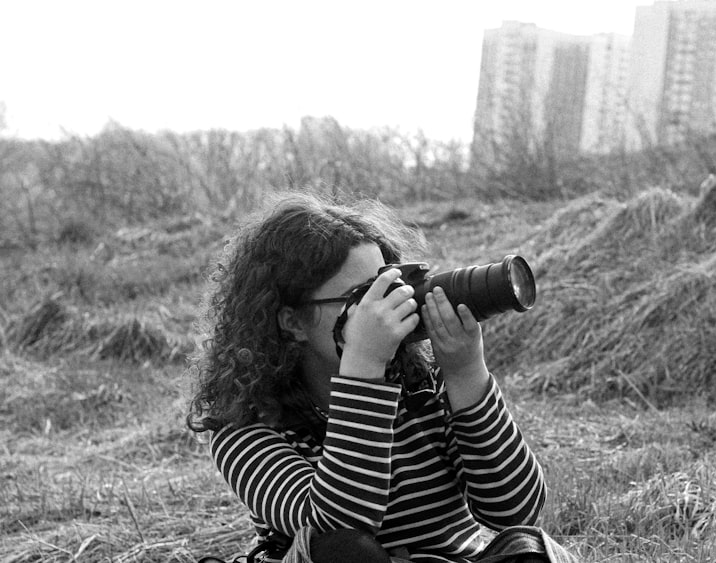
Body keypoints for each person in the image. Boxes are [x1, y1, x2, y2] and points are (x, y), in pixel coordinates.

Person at [186, 191, 576, 563]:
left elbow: (513, 510)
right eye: (362, 297)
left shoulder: (425, 387)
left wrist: (467, 374)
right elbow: (339, 527)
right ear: (292, 321)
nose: (384, 308)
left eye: (388, 287)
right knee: (341, 552)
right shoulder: (246, 429)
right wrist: (363, 369)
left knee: (528, 548)